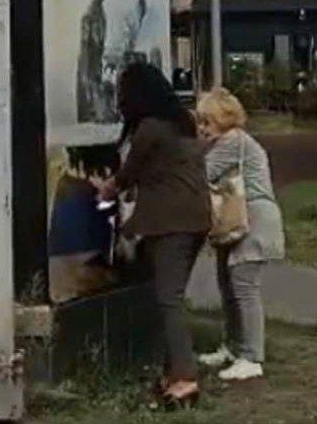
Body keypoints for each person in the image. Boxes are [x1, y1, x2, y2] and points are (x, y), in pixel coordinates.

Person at [96, 62, 210, 405]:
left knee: (168, 298)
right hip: (197, 217)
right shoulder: (181, 123)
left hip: (170, 222)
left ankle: (185, 379)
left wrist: (106, 190)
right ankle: (172, 371)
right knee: (169, 294)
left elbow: (127, 175)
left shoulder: (149, 129)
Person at [196, 88, 286, 381]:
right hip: (239, 219)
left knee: (244, 288)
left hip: (253, 219)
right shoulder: (233, 142)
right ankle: (234, 347)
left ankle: (252, 356)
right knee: (229, 286)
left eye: (207, 122)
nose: (202, 129)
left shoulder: (232, 141)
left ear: (224, 119)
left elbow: (201, 174)